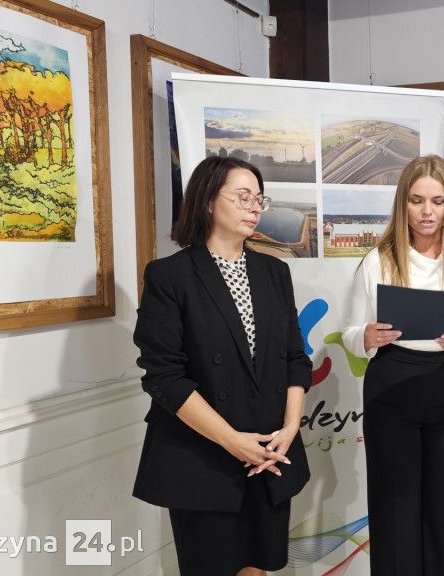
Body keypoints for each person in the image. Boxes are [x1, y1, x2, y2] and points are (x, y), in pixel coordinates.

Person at [133, 156, 312, 576]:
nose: (254, 207)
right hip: (203, 455)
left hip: (268, 452)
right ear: (209, 201)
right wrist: (232, 441)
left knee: (258, 568)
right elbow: (164, 377)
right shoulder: (170, 275)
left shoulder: (274, 272)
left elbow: (294, 358)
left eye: (259, 199)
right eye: (243, 196)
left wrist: (290, 429)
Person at [342, 155, 444, 575]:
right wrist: (367, 336)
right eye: (417, 201)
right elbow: (351, 332)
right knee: (394, 502)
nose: (427, 212)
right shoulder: (377, 260)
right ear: (403, 204)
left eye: (437, 201)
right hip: (390, 385)